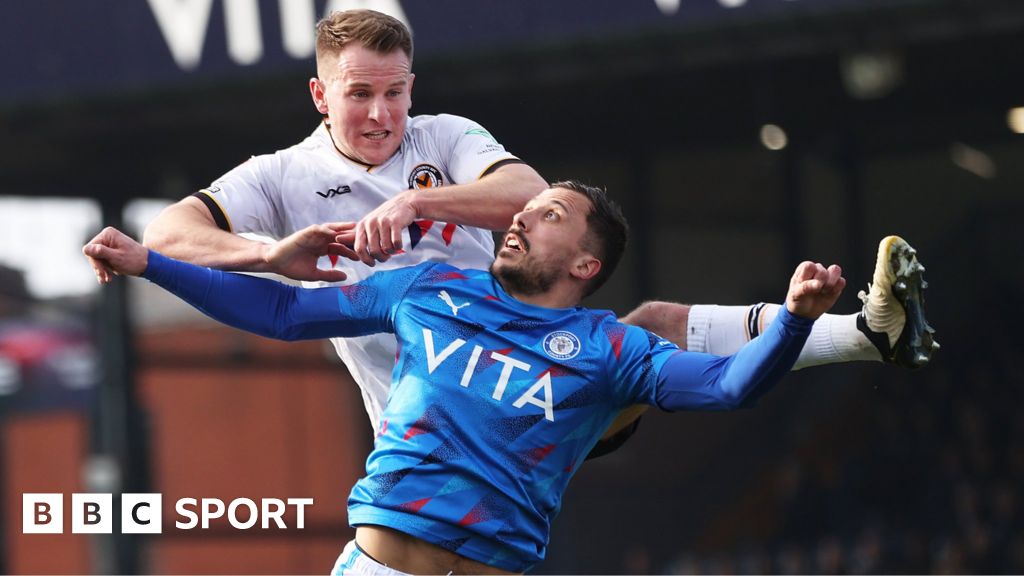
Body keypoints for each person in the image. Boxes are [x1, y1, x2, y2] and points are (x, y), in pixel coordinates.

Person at [86, 9, 937, 451]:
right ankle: (859, 336)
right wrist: (266, 252)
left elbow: (529, 191)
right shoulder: (279, 178)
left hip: (527, 378)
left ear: (413, 85)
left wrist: (419, 204)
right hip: (430, 423)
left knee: (650, 331)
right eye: (359, 95)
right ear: (321, 96)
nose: (382, 113)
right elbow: (177, 232)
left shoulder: (445, 138)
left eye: (395, 91)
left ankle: (865, 334)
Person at [85, 181, 846, 574]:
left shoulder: (612, 349)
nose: (518, 220)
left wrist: (798, 318)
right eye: (526, 211)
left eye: (548, 215)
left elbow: (727, 387)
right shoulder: (427, 290)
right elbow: (286, 313)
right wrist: (155, 264)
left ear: (586, 264)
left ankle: (865, 334)